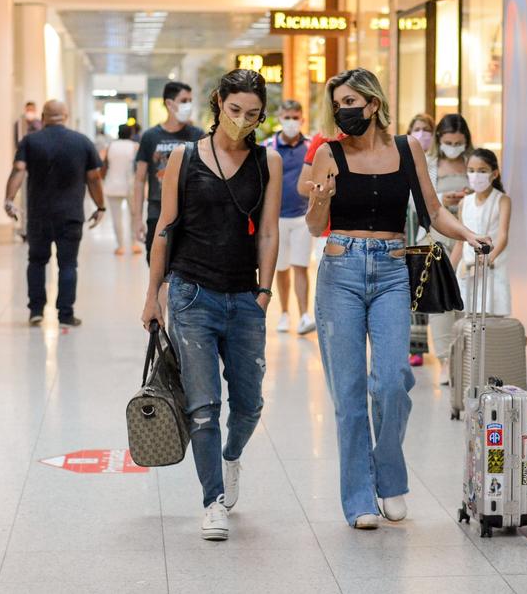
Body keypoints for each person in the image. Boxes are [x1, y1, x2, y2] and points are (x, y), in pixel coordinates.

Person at [305, 68, 491, 530]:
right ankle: (359, 498)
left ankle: (389, 477)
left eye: (351, 102)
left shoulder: (406, 148)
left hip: (390, 270)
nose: (343, 112)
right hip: (340, 269)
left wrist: (467, 233)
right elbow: (313, 225)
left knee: (392, 382)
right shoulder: (327, 153)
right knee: (348, 395)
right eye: (338, 104)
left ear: (372, 104)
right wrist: (320, 200)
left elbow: (431, 212)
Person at [141, 69, 282, 542]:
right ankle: (212, 500)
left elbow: (267, 230)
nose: (243, 120)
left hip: (245, 297)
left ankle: (231, 455)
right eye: (235, 109)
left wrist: (264, 293)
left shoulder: (269, 162)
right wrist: (152, 295)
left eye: (253, 114)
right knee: (203, 406)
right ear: (218, 102)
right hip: (191, 294)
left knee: (249, 404)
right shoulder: (184, 157)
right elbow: (165, 227)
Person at [3, 100, 106, 327]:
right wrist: (100, 206)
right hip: (70, 216)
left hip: (39, 215)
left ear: (43, 116)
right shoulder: (82, 142)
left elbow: (19, 170)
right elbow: (94, 178)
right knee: (68, 265)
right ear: (66, 115)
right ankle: (66, 314)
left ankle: (36, 311)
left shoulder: (30, 141)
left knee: (37, 261)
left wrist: (9, 200)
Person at [133, 81, 206, 263]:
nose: (188, 105)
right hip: (157, 211)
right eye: (184, 100)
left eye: (190, 100)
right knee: (157, 265)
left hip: (189, 212)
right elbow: (140, 179)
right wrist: (137, 218)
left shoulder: (197, 134)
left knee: (185, 268)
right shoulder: (150, 136)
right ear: (169, 103)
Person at [426, 113, 474, 385]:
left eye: (458, 142)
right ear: (439, 140)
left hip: (468, 239)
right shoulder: (431, 165)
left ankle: (466, 359)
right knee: (441, 302)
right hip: (440, 239)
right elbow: (419, 200)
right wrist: (443, 200)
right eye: (448, 141)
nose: (453, 146)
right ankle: (444, 360)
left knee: (467, 302)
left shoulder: (473, 164)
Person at [263, 100, 315, 335]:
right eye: (287, 117)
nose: (292, 122)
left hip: (303, 217)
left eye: (296, 117)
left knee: (301, 266)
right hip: (276, 218)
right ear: (280, 117)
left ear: (302, 119)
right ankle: (284, 313)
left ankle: (304, 315)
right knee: (281, 268)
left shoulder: (311, 146)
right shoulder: (267, 146)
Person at [452, 149, 511, 315]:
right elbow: (460, 240)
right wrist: (449, 270)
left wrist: (488, 259)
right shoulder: (465, 203)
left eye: (482, 171)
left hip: (492, 270)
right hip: (467, 271)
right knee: (467, 323)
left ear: (494, 174)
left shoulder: (502, 200)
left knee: (491, 320)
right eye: (471, 171)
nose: (476, 175)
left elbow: (503, 236)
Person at [404, 113, 435, 367]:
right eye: (417, 129)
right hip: (407, 233)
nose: (422, 134)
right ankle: (413, 347)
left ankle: (425, 348)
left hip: (430, 234)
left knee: (423, 291)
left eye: (427, 129)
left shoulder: (436, 164)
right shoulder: (402, 161)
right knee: (407, 292)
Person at [103, 124, 141, 255]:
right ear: (131, 134)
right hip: (132, 186)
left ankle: (120, 246)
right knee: (134, 215)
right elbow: (139, 168)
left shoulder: (110, 146)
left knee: (116, 217)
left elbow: (105, 165)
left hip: (112, 185)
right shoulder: (135, 146)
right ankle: (134, 243)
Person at [13, 101, 44, 240]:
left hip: (37, 168)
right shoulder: (19, 125)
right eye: (28, 109)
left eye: (32, 109)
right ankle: (26, 228)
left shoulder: (39, 125)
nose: (29, 112)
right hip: (24, 167)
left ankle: (37, 227)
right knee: (24, 199)